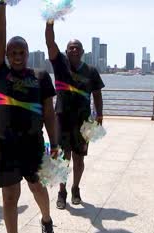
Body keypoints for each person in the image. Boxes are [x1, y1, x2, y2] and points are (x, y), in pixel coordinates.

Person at [0, 2, 58, 233]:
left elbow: (50, 114)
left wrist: (54, 143)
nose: (17, 56)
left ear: (28, 53)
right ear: (7, 55)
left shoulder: (41, 77)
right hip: (5, 144)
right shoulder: (0, 74)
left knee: (37, 188)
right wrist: (1, 4)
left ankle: (46, 220)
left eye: (22, 52)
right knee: (10, 196)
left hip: (33, 143)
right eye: (13, 52)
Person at [45, 20, 104, 209]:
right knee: (63, 158)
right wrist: (50, 23)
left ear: (82, 51)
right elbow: (50, 42)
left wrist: (100, 116)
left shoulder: (91, 71)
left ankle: (75, 189)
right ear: (66, 51)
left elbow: (97, 94)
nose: (74, 50)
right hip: (62, 119)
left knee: (79, 158)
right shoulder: (60, 65)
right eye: (70, 48)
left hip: (83, 122)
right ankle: (61, 192)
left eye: (77, 48)